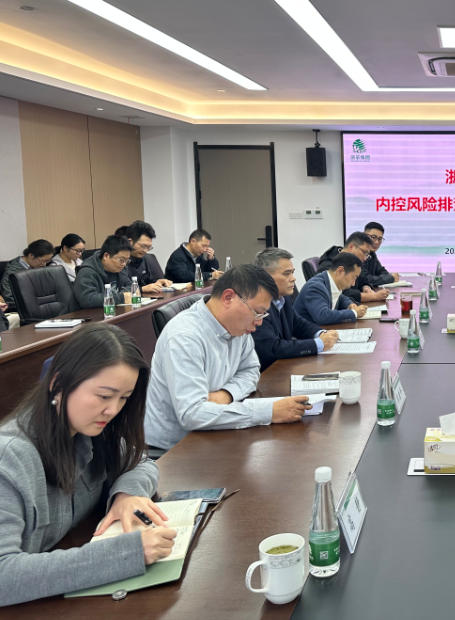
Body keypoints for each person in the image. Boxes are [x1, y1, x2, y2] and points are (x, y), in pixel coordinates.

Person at [0, 324, 177, 606]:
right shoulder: (9, 457)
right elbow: (4, 577)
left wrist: (127, 495)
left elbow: (141, 462)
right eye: (104, 396)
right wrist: (126, 554)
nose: (113, 410)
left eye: (124, 398)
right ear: (58, 384)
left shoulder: (90, 430)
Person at [144, 265, 312, 455]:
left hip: (217, 432)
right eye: (257, 312)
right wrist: (269, 411)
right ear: (228, 298)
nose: (259, 322)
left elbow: (251, 371)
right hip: (176, 450)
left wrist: (227, 394)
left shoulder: (238, 326)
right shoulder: (184, 337)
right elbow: (192, 414)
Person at [252, 248, 339, 371]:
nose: (293, 278)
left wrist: (320, 334)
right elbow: (273, 348)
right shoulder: (256, 305)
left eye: (292, 272)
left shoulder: (283, 297)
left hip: (283, 368)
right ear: (265, 277)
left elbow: (297, 323)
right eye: (287, 273)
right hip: (266, 373)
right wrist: (318, 344)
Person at [296, 252, 368, 326]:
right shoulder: (315, 287)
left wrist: (349, 304)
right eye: (354, 277)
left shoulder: (330, 282)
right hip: (306, 332)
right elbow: (322, 316)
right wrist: (354, 313)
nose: (354, 284)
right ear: (340, 271)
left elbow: (340, 297)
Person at [317, 232, 387, 303]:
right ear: (351, 247)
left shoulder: (353, 262)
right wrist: (373, 297)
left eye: (367, 255)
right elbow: (340, 293)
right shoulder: (329, 265)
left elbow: (363, 279)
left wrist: (366, 287)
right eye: (364, 252)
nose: (365, 258)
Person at [74, 235, 133, 309]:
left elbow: (131, 286)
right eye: (121, 260)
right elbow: (87, 299)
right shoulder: (87, 272)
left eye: (127, 261)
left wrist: (124, 295)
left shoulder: (119, 268)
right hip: (96, 314)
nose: (124, 264)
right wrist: (121, 297)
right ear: (106, 256)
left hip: (116, 310)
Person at [1, 239, 54, 312]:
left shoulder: (36, 267)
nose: (44, 265)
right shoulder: (12, 272)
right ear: (31, 255)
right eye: (42, 261)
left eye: (47, 261)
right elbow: (9, 297)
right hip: (26, 309)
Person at [122, 221, 173, 294]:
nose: (145, 251)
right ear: (130, 242)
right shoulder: (119, 262)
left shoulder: (149, 258)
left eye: (149, 247)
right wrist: (142, 289)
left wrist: (160, 282)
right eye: (143, 246)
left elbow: (157, 282)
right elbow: (120, 291)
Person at [362, 222, 400, 286]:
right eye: (373, 237)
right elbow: (366, 280)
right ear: (363, 236)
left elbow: (383, 272)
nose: (376, 242)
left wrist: (387, 277)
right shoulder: (357, 254)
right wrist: (391, 278)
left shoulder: (372, 254)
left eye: (380, 239)